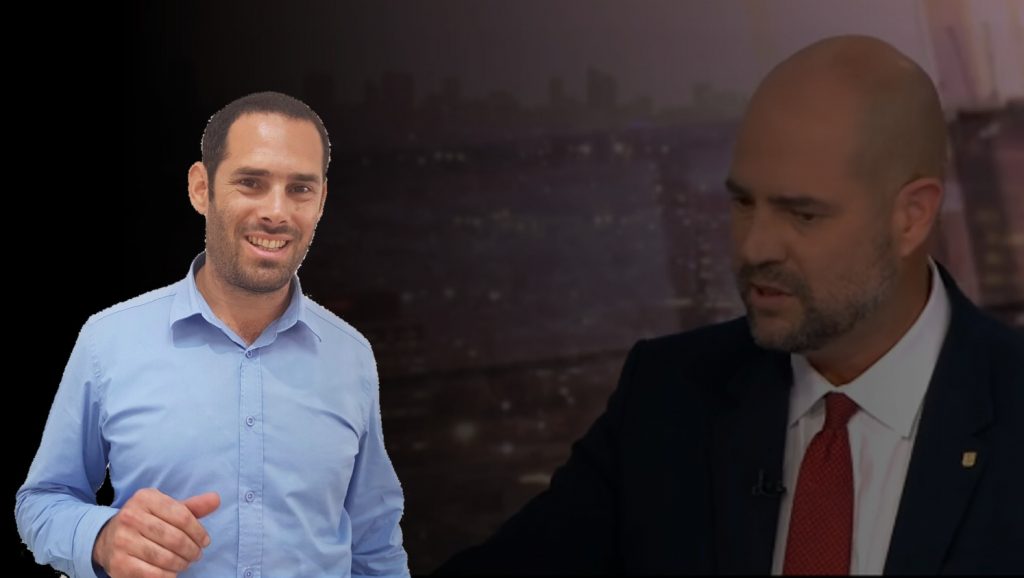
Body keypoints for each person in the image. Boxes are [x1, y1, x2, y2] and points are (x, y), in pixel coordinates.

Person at [436, 35, 1024, 575]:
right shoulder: (667, 397)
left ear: (911, 217)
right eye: (743, 204)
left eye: (802, 213)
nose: (754, 247)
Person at [16, 91, 409, 578]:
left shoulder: (351, 356)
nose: (277, 212)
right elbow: (41, 502)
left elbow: (375, 544)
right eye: (251, 182)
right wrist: (102, 537)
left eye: (300, 189)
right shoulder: (107, 341)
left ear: (321, 201)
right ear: (201, 189)